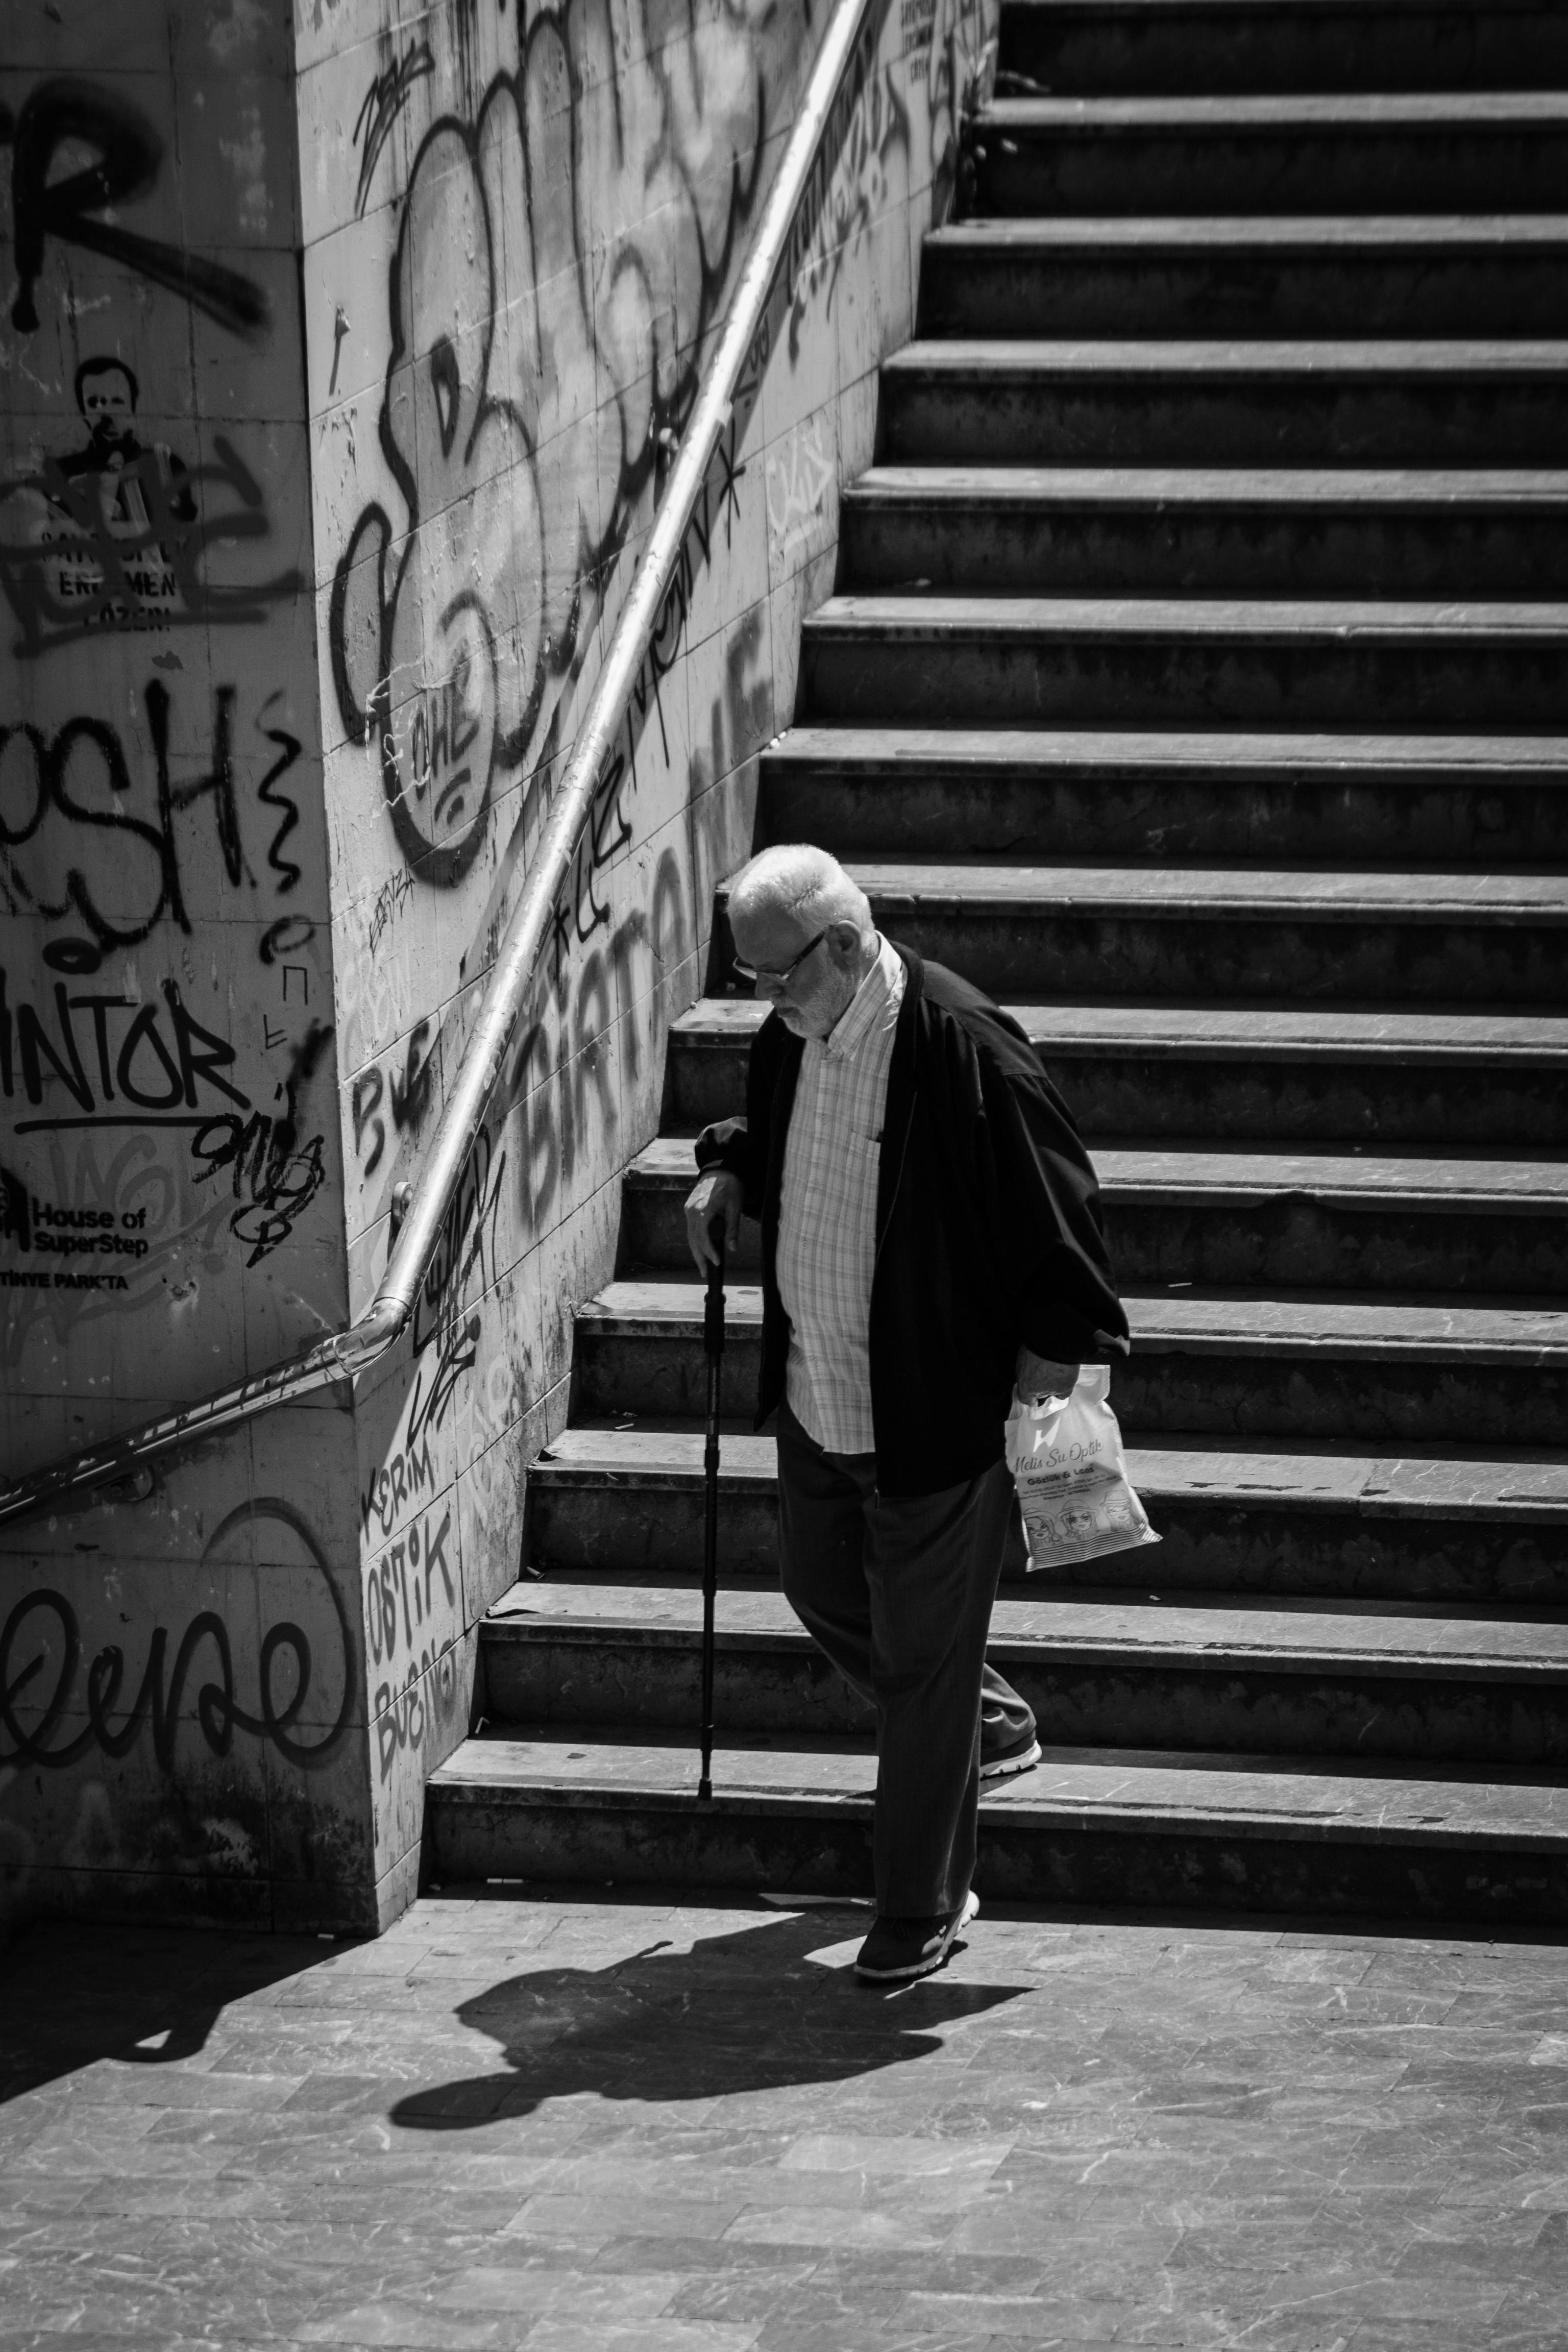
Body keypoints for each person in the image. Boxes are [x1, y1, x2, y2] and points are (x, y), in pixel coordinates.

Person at [684, 845, 1130, 1982]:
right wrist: (731, 1168)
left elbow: (1064, 1221)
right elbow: (789, 1141)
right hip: (816, 1396)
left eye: (774, 975)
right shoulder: (796, 1032)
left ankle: (922, 1906)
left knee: (920, 1671)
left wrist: (1049, 1379)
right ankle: (983, 1720)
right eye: (747, 981)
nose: (762, 1000)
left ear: (841, 945)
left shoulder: (964, 1047)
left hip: (931, 1413)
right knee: (820, 1591)